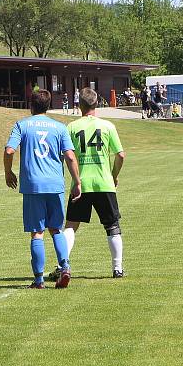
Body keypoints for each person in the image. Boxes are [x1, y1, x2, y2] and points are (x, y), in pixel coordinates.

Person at [4, 89, 81, 289]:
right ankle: (65, 267)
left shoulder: (22, 125)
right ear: (47, 106)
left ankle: (38, 280)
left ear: (31, 105)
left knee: (37, 232)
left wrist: (8, 172)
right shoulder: (59, 127)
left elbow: (9, 150)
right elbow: (70, 156)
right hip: (55, 184)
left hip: (32, 185)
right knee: (56, 229)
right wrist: (77, 181)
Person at [47, 88, 125, 280]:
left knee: (71, 226)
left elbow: (65, 155)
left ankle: (62, 266)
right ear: (96, 103)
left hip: (79, 183)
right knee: (112, 225)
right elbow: (120, 155)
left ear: (79, 105)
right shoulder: (108, 126)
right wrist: (114, 174)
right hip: (104, 183)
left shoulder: (71, 127)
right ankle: (117, 268)